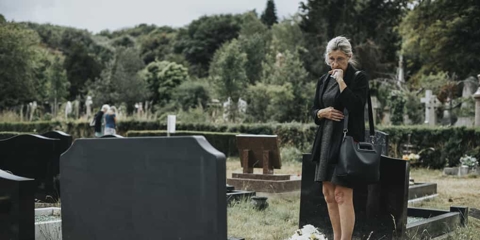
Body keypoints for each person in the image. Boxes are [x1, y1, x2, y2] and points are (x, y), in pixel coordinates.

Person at [310, 36, 368, 240]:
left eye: (340, 59)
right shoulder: (324, 80)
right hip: (325, 139)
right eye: (332, 59)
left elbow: (356, 106)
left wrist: (341, 81)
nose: (335, 64)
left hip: (346, 141)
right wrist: (321, 113)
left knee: (342, 195)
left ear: (349, 57)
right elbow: (314, 110)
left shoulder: (358, 78)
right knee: (328, 194)